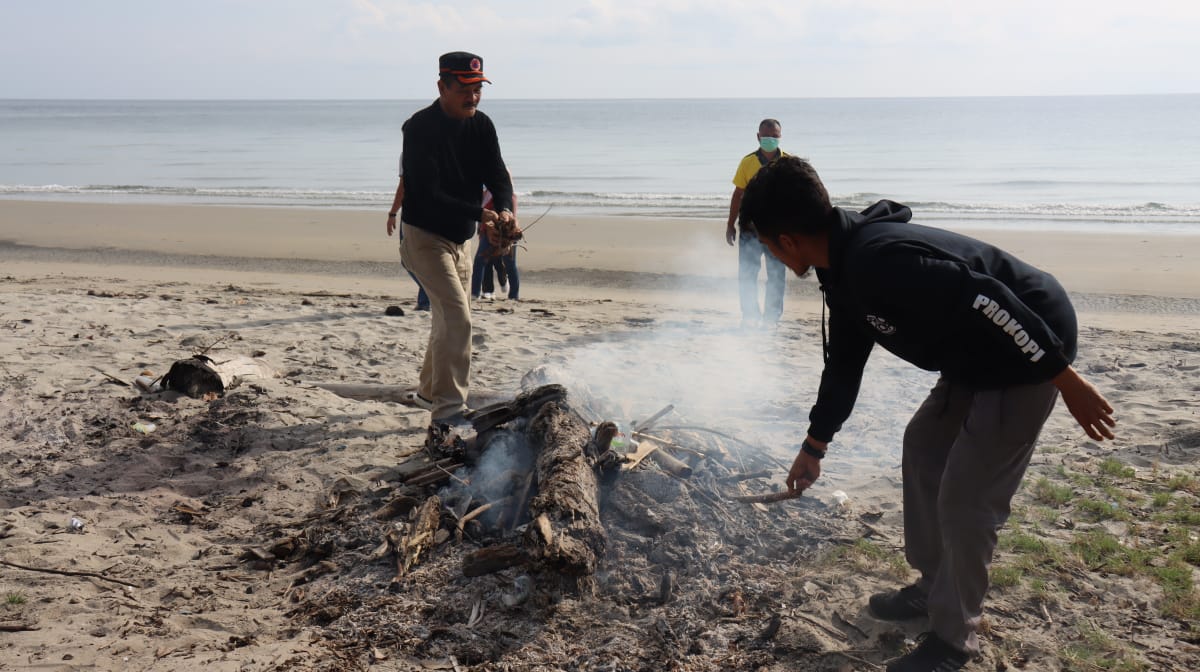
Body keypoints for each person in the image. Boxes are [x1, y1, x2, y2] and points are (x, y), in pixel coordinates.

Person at [738, 156, 1116, 672]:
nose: (773, 259)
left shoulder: (879, 261)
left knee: (967, 498)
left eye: (765, 245)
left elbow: (990, 298)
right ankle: (933, 586)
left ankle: (955, 640)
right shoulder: (841, 269)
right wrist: (814, 446)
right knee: (923, 445)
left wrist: (1064, 378)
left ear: (786, 240)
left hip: (1028, 347)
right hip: (974, 357)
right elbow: (844, 365)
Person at [397, 51, 516, 426]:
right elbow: (428, 192)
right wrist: (481, 214)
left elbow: (498, 174)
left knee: (447, 319)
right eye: (464, 89)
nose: (473, 97)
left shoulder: (482, 126)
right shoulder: (418, 128)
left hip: (461, 240)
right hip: (424, 238)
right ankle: (448, 412)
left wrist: (506, 209)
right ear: (441, 86)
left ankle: (428, 393)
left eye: (478, 88)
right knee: (458, 318)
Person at [726, 118, 788, 328]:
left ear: (780, 137)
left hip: (777, 232)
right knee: (747, 275)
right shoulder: (747, 162)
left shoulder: (788, 162)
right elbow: (737, 195)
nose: (770, 140)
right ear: (758, 137)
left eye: (774, 136)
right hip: (749, 230)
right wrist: (729, 225)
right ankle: (750, 316)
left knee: (777, 275)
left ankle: (771, 318)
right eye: (766, 136)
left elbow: (798, 198)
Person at [386, 164, 429, 311]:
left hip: (414, 213)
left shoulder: (409, 151)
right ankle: (425, 300)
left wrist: (392, 213)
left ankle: (429, 296)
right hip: (433, 211)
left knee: (408, 260)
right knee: (423, 260)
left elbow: (403, 186)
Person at [471, 184, 520, 301]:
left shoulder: (510, 196)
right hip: (486, 232)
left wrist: (509, 234)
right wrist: (481, 230)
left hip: (507, 233)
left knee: (509, 263)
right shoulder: (485, 194)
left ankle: (513, 295)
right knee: (481, 261)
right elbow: (481, 213)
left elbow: (512, 216)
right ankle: (476, 293)